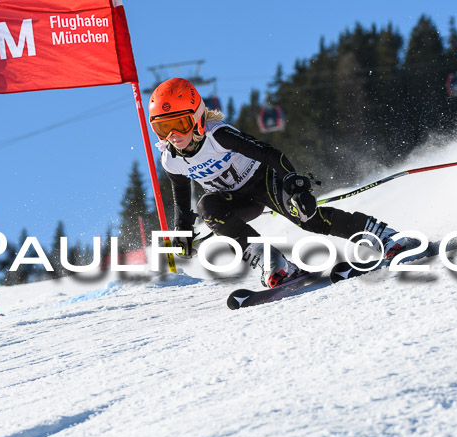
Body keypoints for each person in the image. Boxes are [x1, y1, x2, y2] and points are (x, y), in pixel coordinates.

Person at [148, 78, 417, 288]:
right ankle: (275, 264)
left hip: (262, 180)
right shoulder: (170, 160)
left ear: (197, 119)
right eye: (162, 128)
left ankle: (385, 236)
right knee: (208, 206)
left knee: (309, 219)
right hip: (234, 200)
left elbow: (269, 154)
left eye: (180, 124)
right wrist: (181, 231)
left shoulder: (218, 136)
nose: (173, 135)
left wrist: (295, 185)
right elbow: (180, 193)